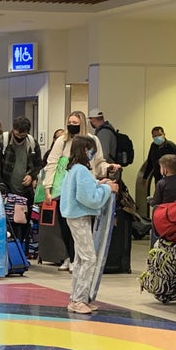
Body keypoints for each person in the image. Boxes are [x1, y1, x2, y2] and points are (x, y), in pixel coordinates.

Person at [42, 111, 119, 270]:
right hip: (64, 190)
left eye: (76, 123)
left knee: (82, 233)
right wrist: (47, 189)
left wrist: (108, 169)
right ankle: (71, 257)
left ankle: (75, 260)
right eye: (70, 122)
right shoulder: (62, 142)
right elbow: (52, 164)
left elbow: (99, 163)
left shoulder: (92, 142)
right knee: (67, 228)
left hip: (84, 191)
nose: (72, 125)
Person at [60, 136, 118, 315]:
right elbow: (90, 198)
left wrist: (99, 184)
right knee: (89, 258)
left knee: (80, 258)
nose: (93, 153)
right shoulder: (82, 171)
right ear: (85, 150)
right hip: (80, 218)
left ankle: (78, 297)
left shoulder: (74, 169)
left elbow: (87, 188)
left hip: (74, 216)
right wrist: (108, 189)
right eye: (91, 150)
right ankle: (78, 300)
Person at [0, 116, 43, 246]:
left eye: (23, 135)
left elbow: (39, 164)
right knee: (8, 223)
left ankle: (21, 249)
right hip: (6, 189)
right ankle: (9, 248)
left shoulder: (32, 143)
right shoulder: (2, 141)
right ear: (13, 130)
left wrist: (31, 176)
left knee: (24, 222)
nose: (19, 137)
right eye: (17, 134)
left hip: (25, 192)